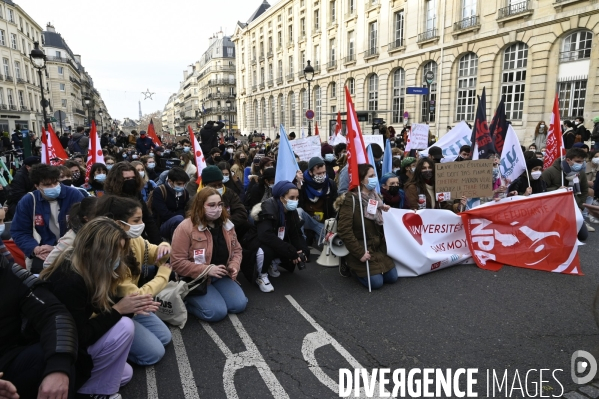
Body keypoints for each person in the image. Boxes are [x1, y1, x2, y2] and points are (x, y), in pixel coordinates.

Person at [40, 218, 158, 398]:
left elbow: (100, 304)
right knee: (125, 327)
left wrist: (130, 303)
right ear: (96, 251)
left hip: (74, 345)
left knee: (125, 374)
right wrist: (119, 309)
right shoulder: (70, 282)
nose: (119, 257)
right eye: (115, 252)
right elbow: (79, 336)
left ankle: (91, 387)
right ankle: (103, 393)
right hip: (61, 353)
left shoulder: (86, 266)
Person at [94, 196, 172, 366]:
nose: (141, 224)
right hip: (113, 310)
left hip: (132, 307)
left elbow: (151, 251)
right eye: (136, 220)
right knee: (154, 354)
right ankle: (114, 351)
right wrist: (163, 275)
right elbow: (135, 295)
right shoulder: (107, 251)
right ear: (118, 223)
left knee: (165, 338)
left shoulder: (133, 238)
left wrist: (164, 248)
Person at [0, 256, 77, 399]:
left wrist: (58, 366)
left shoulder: (10, 273)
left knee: (53, 355)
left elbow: (54, 314)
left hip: (6, 364)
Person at [170, 187, 247, 322]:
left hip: (221, 275)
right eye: (211, 205)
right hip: (195, 279)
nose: (217, 209)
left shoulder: (227, 225)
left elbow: (237, 250)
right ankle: (185, 302)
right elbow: (177, 263)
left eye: (219, 204)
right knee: (216, 313)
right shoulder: (185, 227)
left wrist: (234, 265)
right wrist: (207, 269)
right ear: (200, 206)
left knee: (239, 305)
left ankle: (214, 295)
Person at [11, 164, 84, 273]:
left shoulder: (74, 195)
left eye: (55, 182)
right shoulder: (28, 201)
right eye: (47, 185)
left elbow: (84, 226)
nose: (53, 187)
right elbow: (19, 231)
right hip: (42, 253)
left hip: (71, 250)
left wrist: (58, 248)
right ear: (37, 186)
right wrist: (34, 248)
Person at [335, 164, 398, 289]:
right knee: (376, 283)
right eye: (371, 176)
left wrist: (386, 213)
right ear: (361, 179)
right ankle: (350, 267)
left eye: (375, 175)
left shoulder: (376, 197)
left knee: (392, 278)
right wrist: (359, 253)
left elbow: (380, 224)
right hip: (360, 249)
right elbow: (344, 230)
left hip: (377, 248)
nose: (375, 178)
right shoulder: (350, 200)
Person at [248, 181, 310, 292]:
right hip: (257, 242)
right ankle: (261, 276)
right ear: (281, 197)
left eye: (297, 197)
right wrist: (290, 250)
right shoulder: (267, 209)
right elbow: (265, 236)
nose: (295, 201)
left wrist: (303, 250)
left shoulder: (292, 212)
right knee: (267, 250)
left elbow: (296, 233)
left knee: (293, 247)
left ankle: (273, 263)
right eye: (291, 197)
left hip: (278, 238)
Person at [104, 162, 162, 244]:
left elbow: (147, 218)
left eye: (133, 178)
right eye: (126, 179)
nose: (130, 181)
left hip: (139, 239)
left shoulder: (136, 193)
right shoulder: (109, 200)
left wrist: (158, 243)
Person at [542, 147, 594, 232]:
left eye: (582, 161)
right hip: (554, 208)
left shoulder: (580, 173)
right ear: (568, 160)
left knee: (583, 235)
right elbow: (541, 190)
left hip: (574, 206)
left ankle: (581, 220)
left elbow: (584, 190)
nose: (581, 164)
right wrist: (556, 190)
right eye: (577, 161)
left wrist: (580, 207)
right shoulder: (550, 172)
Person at [44, 196, 98, 268]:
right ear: (87, 219)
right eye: (100, 216)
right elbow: (48, 264)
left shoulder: (102, 234)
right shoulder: (72, 238)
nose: (106, 218)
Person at [199, 166, 249, 240]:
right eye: (213, 186)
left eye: (219, 184)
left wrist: (224, 223)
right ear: (205, 185)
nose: (217, 188)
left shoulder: (229, 193)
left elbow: (241, 212)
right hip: (207, 233)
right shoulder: (198, 198)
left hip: (229, 229)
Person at [297, 157, 338, 244]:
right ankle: (301, 245)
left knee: (332, 243)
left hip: (324, 223)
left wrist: (332, 224)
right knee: (298, 212)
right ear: (310, 172)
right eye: (319, 173)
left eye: (324, 172)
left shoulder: (330, 184)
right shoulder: (302, 184)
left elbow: (335, 206)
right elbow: (298, 205)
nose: (322, 175)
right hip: (307, 219)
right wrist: (299, 188)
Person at [150, 167, 191, 241]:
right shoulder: (159, 191)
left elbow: (185, 208)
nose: (182, 186)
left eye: (184, 184)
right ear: (170, 181)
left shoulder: (185, 193)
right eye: (179, 184)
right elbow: (163, 213)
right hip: (162, 225)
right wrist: (180, 216)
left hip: (180, 221)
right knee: (178, 219)